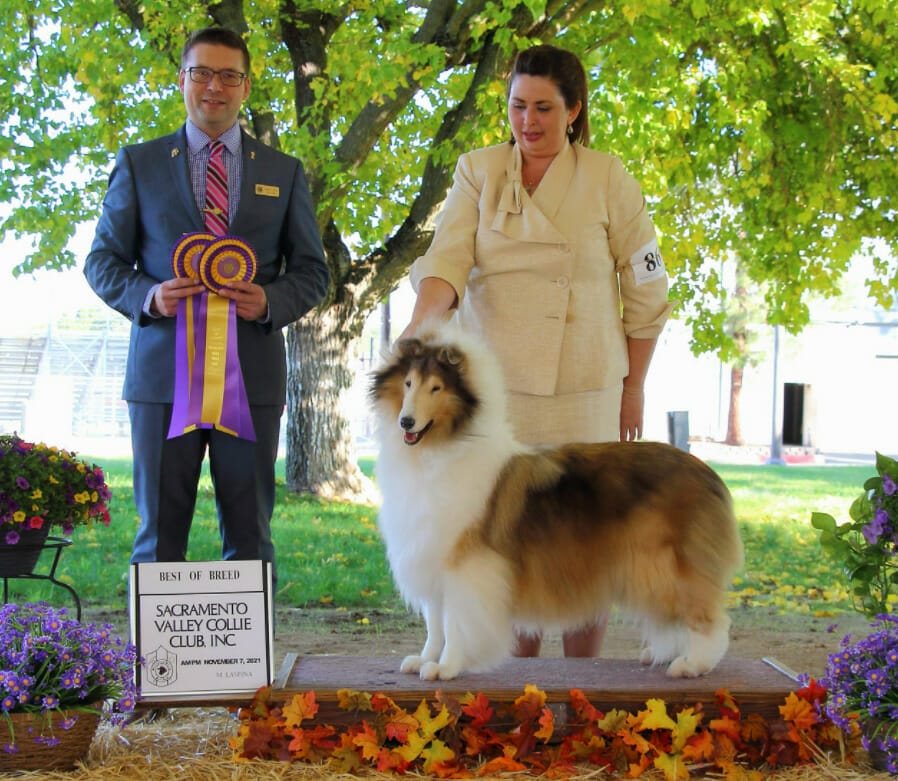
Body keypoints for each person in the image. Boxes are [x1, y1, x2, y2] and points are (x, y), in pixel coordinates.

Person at [399, 44, 673, 658]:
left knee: (586, 537)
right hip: (495, 393)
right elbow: (447, 260)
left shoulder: (611, 177)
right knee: (507, 537)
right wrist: (419, 328)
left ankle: (584, 681)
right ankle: (514, 689)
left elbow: (647, 289)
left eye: (544, 108)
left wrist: (635, 390)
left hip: (589, 388)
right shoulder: (476, 169)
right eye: (518, 106)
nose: (529, 121)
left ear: (573, 110)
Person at [84, 27, 329, 575]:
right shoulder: (138, 163)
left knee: (250, 535)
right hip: (159, 384)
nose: (213, 86)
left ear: (245, 87)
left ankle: (245, 664)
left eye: (228, 76)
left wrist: (268, 300)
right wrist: (148, 296)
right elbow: (101, 262)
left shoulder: (284, 172)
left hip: (252, 384)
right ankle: (157, 663)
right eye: (202, 73)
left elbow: (314, 272)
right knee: (158, 538)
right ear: (182, 81)